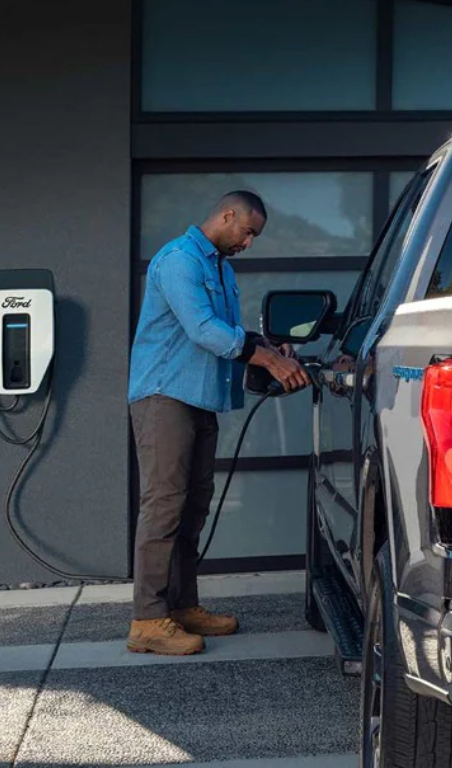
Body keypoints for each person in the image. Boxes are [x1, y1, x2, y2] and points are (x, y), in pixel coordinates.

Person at [126, 190, 309, 656]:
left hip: (201, 396)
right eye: (248, 232)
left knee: (194, 506)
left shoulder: (221, 270)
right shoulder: (179, 260)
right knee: (164, 504)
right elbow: (203, 330)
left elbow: (229, 332)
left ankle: (182, 606)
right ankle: (147, 619)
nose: (249, 243)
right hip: (165, 395)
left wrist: (267, 344)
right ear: (227, 215)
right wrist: (265, 358)